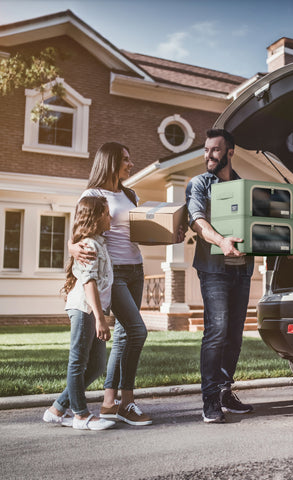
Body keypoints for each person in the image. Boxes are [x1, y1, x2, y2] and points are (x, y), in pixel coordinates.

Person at [69, 142, 152, 426]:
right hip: (112, 272)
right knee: (138, 331)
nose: (131, 164)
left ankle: (110, 403)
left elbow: (138, 232)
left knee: (126, 335)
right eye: (125, 160)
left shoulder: (130, 194)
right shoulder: (91, 194)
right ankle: (124, 401)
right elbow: (77, 234)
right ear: (111, 162)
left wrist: (170, 232)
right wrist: (71, 249)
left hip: (136, 269)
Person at [186, 128, 255, 423]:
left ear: (229, 152)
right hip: (214, 270)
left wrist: (283, 245)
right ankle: (210, 398)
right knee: (217, 332)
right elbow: (196, 219)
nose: (208, 156)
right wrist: (221, 240)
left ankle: (226, 391)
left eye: (215, 150)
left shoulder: (244, 187)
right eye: (206, 150)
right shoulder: (199, 184)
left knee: (234, 335)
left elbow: (257, 224)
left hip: (242, 271)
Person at [43, 196, 116, 431]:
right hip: (84, 308)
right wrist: (100, 318)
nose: (110, 217)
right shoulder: (89, 245)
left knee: (96, 366)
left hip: (92, 309)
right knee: (78, 362)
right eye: (106, 213)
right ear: (96, 217)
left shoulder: (98, 242)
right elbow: (88, 283)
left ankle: (57, 409)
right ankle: (81, 415)